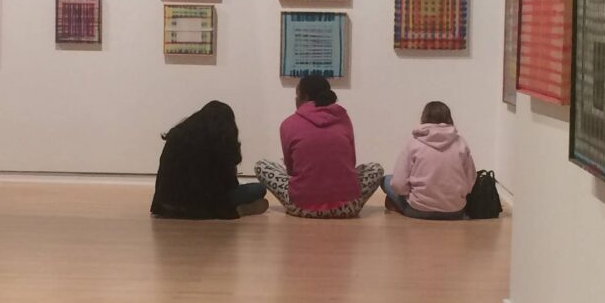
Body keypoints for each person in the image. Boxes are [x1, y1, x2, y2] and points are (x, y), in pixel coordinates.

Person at [255, 75, 384, 219]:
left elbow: (291, 170)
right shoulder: (343, 118)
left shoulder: (288, 124)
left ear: (305, 97)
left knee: (262, 165)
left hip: (301, 207)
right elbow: (351, 162)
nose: (295, 99)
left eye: (297, 95)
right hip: (347, 207)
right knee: (375, 168)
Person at [150, 101, 267, 220]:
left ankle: (237, 206)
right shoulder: (218, 143)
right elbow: (229, 184)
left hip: (165, 205)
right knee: (258, 189)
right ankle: (237, 208)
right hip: (200, 207)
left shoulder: (178, 134)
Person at [382, 100, 476, 220]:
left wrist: (411, 193)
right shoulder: (461, 143)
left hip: (418, 210)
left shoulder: (414, 143)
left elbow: (398, 184)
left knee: (386, 180)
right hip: (454, 211)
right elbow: (470, 181)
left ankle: (396, 206)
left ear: (424, 117)